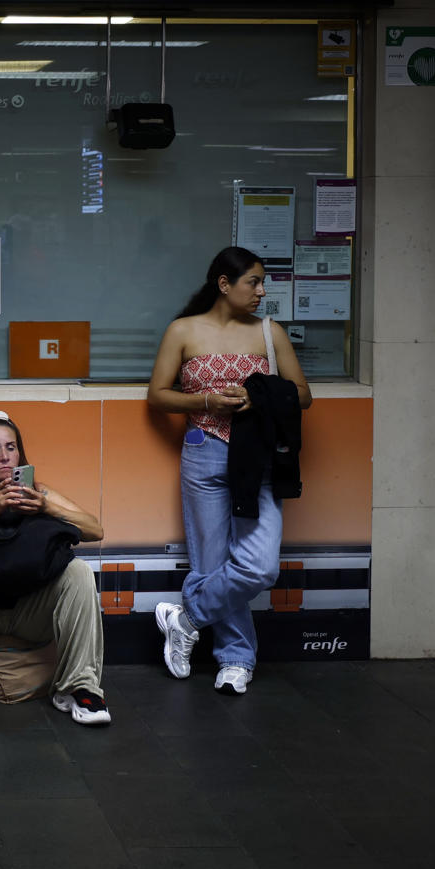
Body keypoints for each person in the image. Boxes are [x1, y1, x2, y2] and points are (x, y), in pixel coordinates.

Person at [146, 246, 312, 695]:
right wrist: (205, 401)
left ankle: (186, 618)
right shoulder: (183, 330)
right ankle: (236, 660)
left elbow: (303, 394)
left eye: (262, 283)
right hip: (202, 450)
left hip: (255, 454)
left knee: (258, 568)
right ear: (224, 284)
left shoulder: (269, 332)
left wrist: (258, 397)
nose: (261, 291)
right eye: (252, 282)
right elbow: (158, 396)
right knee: (210, 562)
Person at [0, 412, 109, 736]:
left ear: (20, 453)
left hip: (33, 610)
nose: (4, 456)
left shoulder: (39, 492)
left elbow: (95, 530)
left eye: (11, 447)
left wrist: (46, 506)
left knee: (79, 572)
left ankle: (80, 690)